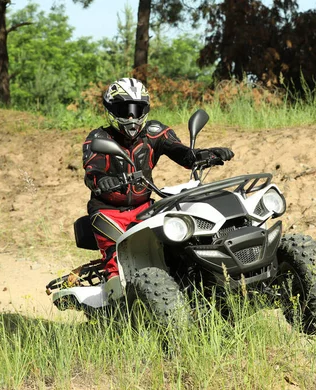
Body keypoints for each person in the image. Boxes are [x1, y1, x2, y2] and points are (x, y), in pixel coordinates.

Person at [81, 77, 234, 284]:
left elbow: (183, 154)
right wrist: (103, 180)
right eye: (123, 110)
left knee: (176, 242)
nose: (131, 116)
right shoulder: (98, 138)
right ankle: (116, 298)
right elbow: (92, 171)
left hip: (144, 207)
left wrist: (206, 155)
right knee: (116, 261)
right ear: (110, 110)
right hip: (108, 211)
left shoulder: (154, 133)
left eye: (137, 109)